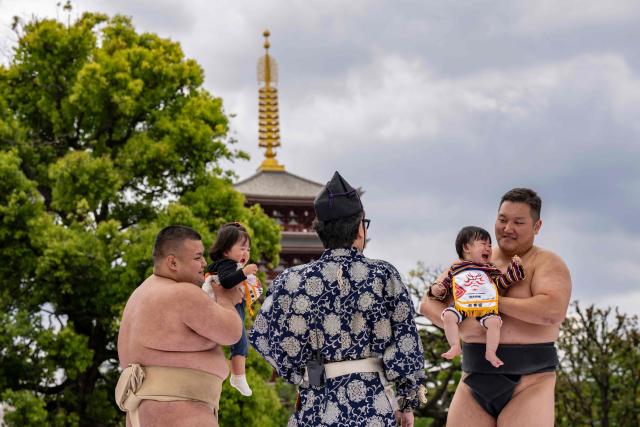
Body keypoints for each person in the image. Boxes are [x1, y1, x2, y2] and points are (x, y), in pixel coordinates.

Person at [249, 171, 426, 427]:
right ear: (359, 228)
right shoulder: (383, 275)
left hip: (316, 404)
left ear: (320, 231)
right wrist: (407, 403)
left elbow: (262, 335)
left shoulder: (290, 280)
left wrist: (300, 374)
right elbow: (407, 341)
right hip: (372, 405)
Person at [420, 188, 572, 427]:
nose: (507, 228)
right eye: (502, 220)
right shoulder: (472, 260)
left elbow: (552, 311)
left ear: (537, 226)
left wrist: (490, 301)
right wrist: (463, 327)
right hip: (473, 378)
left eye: (518, 222)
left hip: (530, 382)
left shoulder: (546, 262)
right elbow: (427, 303)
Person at [115, 225, 245, 427]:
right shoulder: (182, 293)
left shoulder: (140, 294)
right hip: (180, 412)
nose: (204, 263)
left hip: (143, 413)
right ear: (172, 262)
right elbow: (230, 332)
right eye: (197, 257)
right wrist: (226, 299)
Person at [426, 226, 525, 368]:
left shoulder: (490, 269)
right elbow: (444, 286)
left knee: (494, 323)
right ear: (467, 247)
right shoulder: (456, 269)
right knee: (448, 316)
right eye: (483, 244)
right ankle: (455, 345)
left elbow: (501, 283)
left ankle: (490, 352)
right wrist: (436, 290)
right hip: (462, 304)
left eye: (490, 245)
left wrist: (514, 269)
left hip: (485, 305)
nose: (489, 248)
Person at [203, 222, 262, 397]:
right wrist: (244, 273)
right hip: (226, 306)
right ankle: (238, 376)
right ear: (225, 250)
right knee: (240, 340)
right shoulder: (226, 265)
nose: (246, 253)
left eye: (248, 250)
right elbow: (228, 282)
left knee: (240, 340)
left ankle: (238, 376)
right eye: (242, 248)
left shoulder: (229, 265)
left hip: (232, 305)